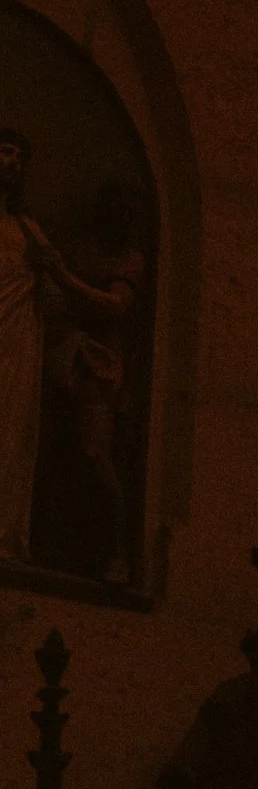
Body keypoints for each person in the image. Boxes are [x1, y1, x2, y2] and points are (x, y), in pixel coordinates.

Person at [34, 178, 149, 581]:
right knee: (47, 447)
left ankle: (116, 549)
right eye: (117, 206)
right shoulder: (79, 247)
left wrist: (64, 278)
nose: (123, 216)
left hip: (97, 366)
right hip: (61, 353)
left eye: (130, 211)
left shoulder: (130, 259)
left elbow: (116, 306)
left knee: (93, 452)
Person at [0, 125, 46, 562]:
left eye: (18, 156)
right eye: (5, 151)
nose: (11, 162)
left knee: (9, 432)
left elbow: (54, 284)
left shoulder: (27, 228)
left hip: (15, 339)